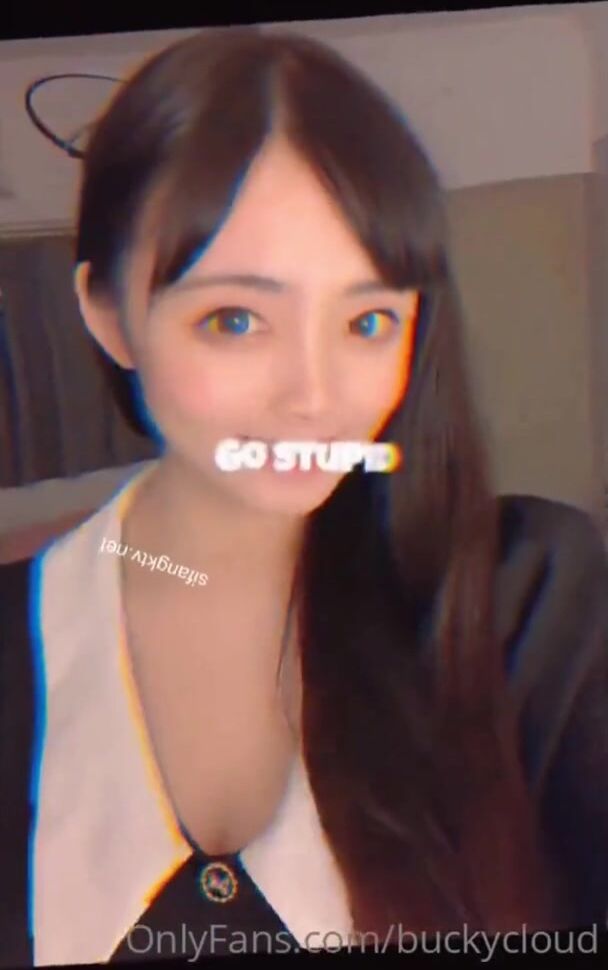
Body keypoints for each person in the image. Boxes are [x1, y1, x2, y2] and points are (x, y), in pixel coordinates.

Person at [1, 25, 608, 965]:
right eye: (236, 319)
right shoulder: (20, 644)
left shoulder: (531, 597)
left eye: (367, 322)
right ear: (109, 315)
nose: (315, 397)